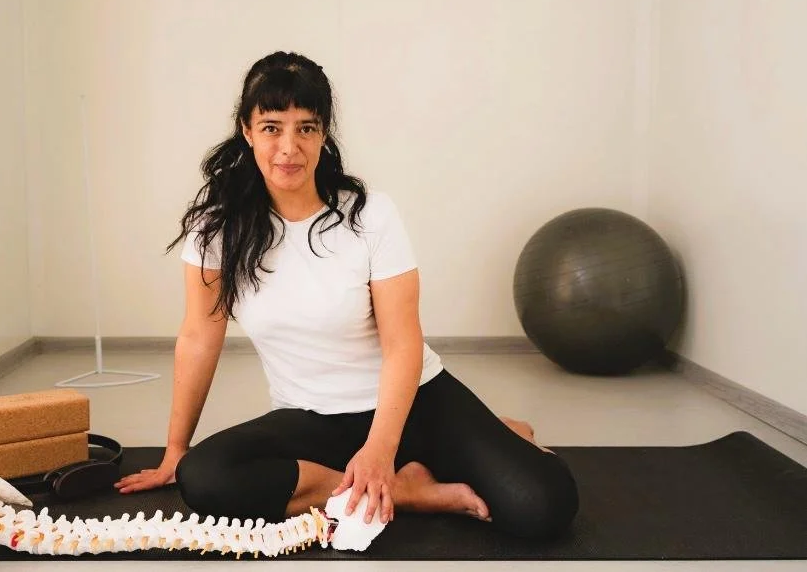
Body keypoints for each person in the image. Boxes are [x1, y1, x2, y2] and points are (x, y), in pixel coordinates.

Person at [114, 51, 579, 539]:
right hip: (312, 421)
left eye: (306, 128)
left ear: (324, 135)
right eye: (272, 127)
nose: (288, 148)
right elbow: (198, 338)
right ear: (247, 131)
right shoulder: (217, 231)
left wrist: (379, 450)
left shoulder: (370, 215)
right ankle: (409, 491)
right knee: (204, 477)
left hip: (415, 402)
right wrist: (174, 450)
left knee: (543, 506)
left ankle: (477, 439)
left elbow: (403, 344)